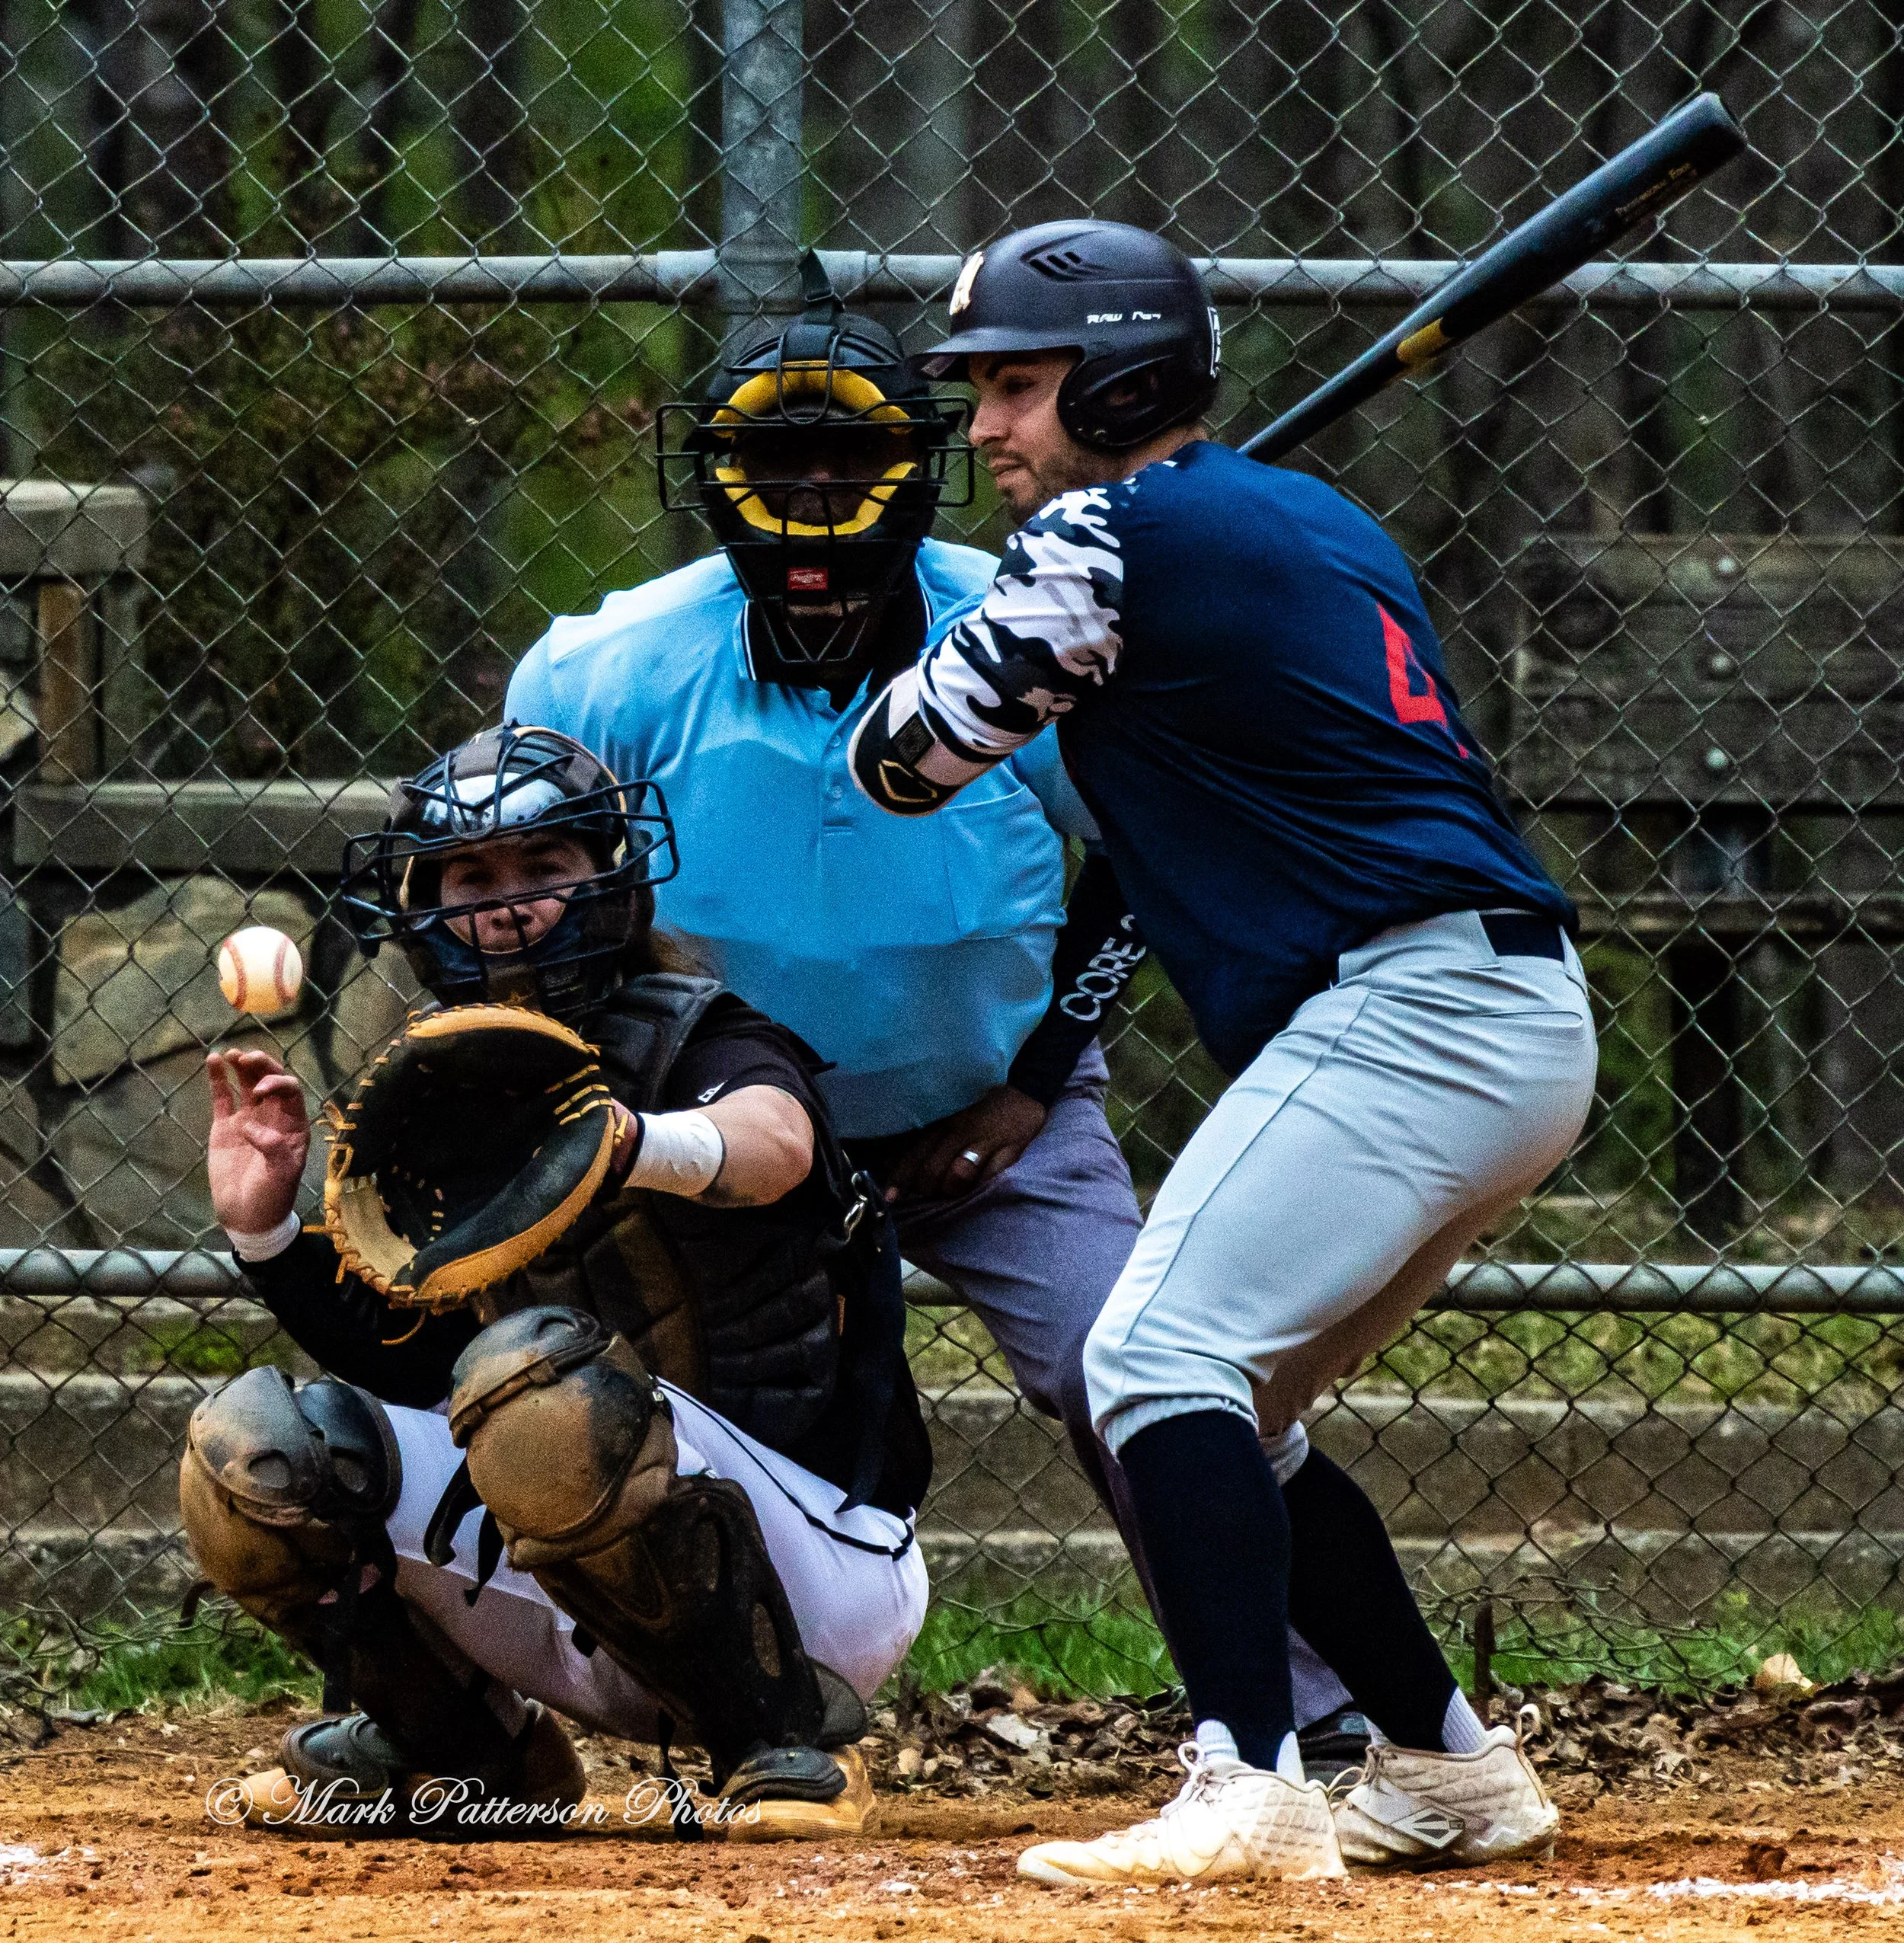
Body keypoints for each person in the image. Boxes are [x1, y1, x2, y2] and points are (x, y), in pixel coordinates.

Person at [502, 254, 1363, 1740]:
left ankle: (1314, 1711)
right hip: (701, 1146)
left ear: (923, 465)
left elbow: (1144, 863)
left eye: (852, 454)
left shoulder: (1034, 625)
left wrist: (1035, 1079)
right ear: (715, 474)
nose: (818, 486)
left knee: (1139, 1376)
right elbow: (529, 908)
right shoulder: (609, 667)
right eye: (782, 457)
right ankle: (496, 1706)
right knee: (529, 1388)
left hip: (991, 1117)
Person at [850, 219, 1600, 1884]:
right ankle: (1446, 1763)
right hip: (1498, 1017)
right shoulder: (1302, 520)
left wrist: (1058, 573)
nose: (984, 433)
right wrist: (1108, 551)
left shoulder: (1110, 541)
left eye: (1020, 392)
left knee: (1148, 1363)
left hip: (1408, 1009)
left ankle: (1243, 1784)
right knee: (1233, 1405)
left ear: (1123, 383)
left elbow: (900, 759)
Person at [183, 723, 930, 1839]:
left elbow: (773, 1141)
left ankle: (784, 1741)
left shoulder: (702, 1035)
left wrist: (629, 1144)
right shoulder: (440, 1082)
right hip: (581, 1545)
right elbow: (415, 1364)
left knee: (537, 1381)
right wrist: (269, 1232)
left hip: (817, 1568)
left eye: (545, 867)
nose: (507, 902)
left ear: (611, 879)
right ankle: (466, 1752)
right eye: (472, 877)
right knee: (253, 1454)